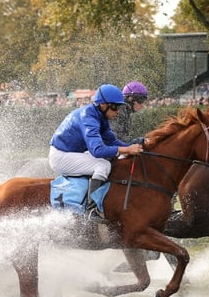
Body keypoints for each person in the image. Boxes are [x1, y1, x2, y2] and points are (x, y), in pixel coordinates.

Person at [49, 84, 144, 218]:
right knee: (103, 165)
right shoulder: (88, 118)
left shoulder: (99, 116)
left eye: (119, 107)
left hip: (72, 153)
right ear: (103, 105)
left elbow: (112, 141)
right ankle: (92, 209)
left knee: (108, 161)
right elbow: (97, 150)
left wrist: (134, 147)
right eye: (115, 107)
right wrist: (127, 149)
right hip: (60, 157)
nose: (118, 112)